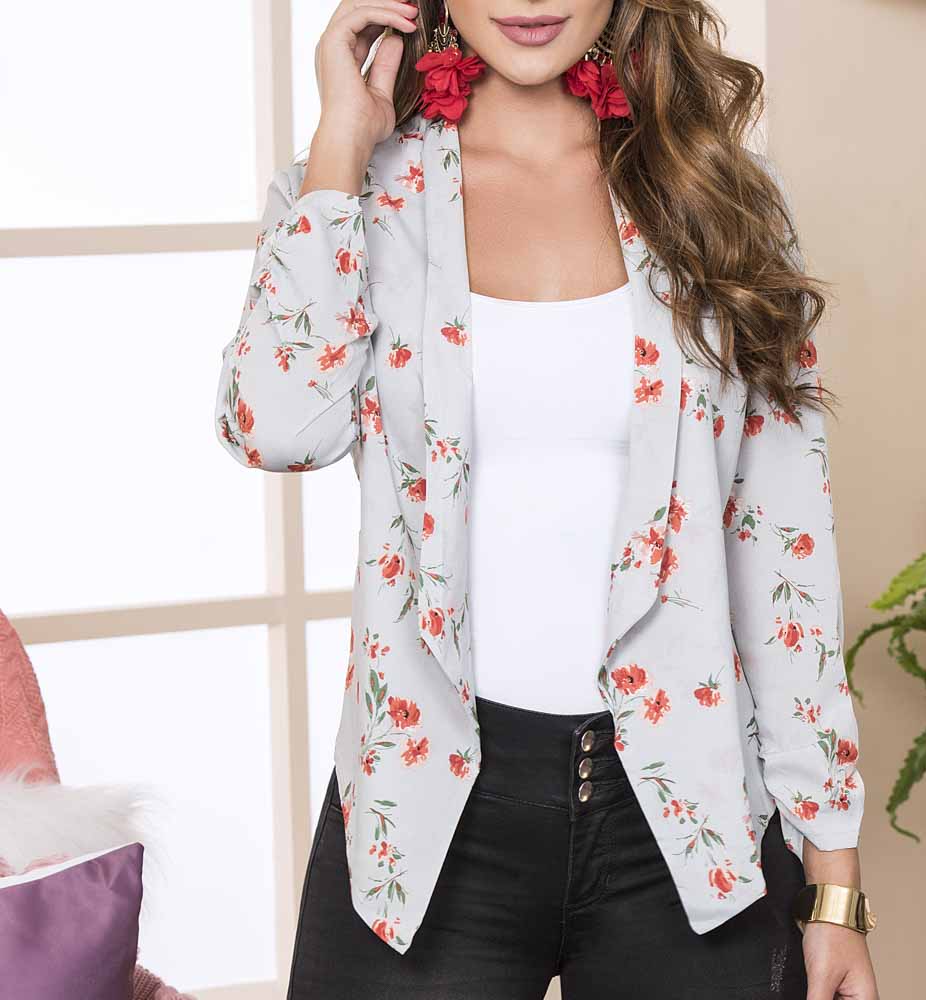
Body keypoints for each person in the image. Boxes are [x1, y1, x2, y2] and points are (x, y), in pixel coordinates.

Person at [214, 1, 880, 997]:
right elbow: (273, 426)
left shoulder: (717, 197)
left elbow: (783, 550)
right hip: (425, 817)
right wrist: (341, 143)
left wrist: (834, 886)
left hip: (689, 826)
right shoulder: (361, 191)